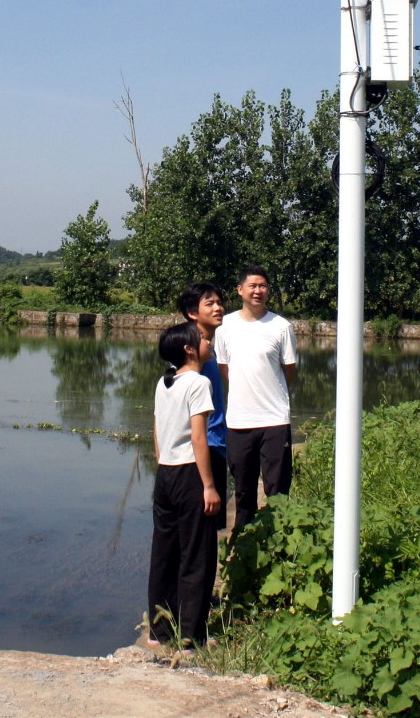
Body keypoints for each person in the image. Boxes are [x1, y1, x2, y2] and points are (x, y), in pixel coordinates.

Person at [146, 321, 222, 650]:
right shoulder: (199, 383)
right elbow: (199, 437)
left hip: (165, 473)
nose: (209, 342)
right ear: (190, 350)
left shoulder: (165, 383)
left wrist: (164, 464)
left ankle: (159, 630)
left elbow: (157, 431)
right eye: (204, 339)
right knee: (197, 555)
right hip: (191, 474)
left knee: (164, 553)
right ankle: (192, 634)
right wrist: (209, 485)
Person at [214, 265, 297, 528]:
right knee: (242, 489)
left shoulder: (281, 326)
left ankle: (278, 545)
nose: (258, 291)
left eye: (263, 286)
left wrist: (272, 395)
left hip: (274, 420)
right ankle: (244, 546)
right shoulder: (224, 325)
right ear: (240, 290)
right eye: (252, 286)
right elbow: (224, 369)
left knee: (277, 490)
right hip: (239, 421)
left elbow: (289, 370)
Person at [177, 281, 228, 530]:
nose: (218, 308)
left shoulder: (208, 350)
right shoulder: (191, 355)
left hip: (216, 446)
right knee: (202, 533)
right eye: (210, 304)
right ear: (192, 313)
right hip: (205, 450)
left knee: (207, 531)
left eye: (219, 302)